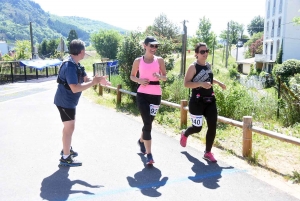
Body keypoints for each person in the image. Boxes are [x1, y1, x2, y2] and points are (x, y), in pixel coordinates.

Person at [54, 39, 110, 167]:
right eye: (84, 50)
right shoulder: (69, 66)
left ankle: (66, 149)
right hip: (65, 101)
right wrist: (93, 83)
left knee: (68, 128)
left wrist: (99, 80)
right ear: (81, 51)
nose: (85, 52)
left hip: (68, 101)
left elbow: (86, 78)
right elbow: (74, 88)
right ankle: (66, 157)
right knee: (69, 128)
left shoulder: (76, 64)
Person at [180, 42, 226, 163]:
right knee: (197, 128)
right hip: (197, 102)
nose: (205, 53)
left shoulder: (208, 65)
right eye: (202, 52)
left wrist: (219, 83)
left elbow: (209, 78)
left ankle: (208, 152)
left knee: (212, 126)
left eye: (206, 51)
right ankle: (185, 133)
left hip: (210, 100)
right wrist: (200, 84)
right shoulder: (193, 67)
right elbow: (186, 83)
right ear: (196, 54)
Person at [130, 36, 167, 165]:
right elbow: (132, 76)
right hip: (142, 95)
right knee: (147, 124)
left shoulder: (160, 60)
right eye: (151, 46)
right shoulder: (138, 61)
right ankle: (149, 155)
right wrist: (139, 80)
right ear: (145, 46)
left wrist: (160, 76)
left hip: (156, 95)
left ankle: (141, 141)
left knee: (149, 123)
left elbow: (165, 77)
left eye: (156, 46)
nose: (154, 48)